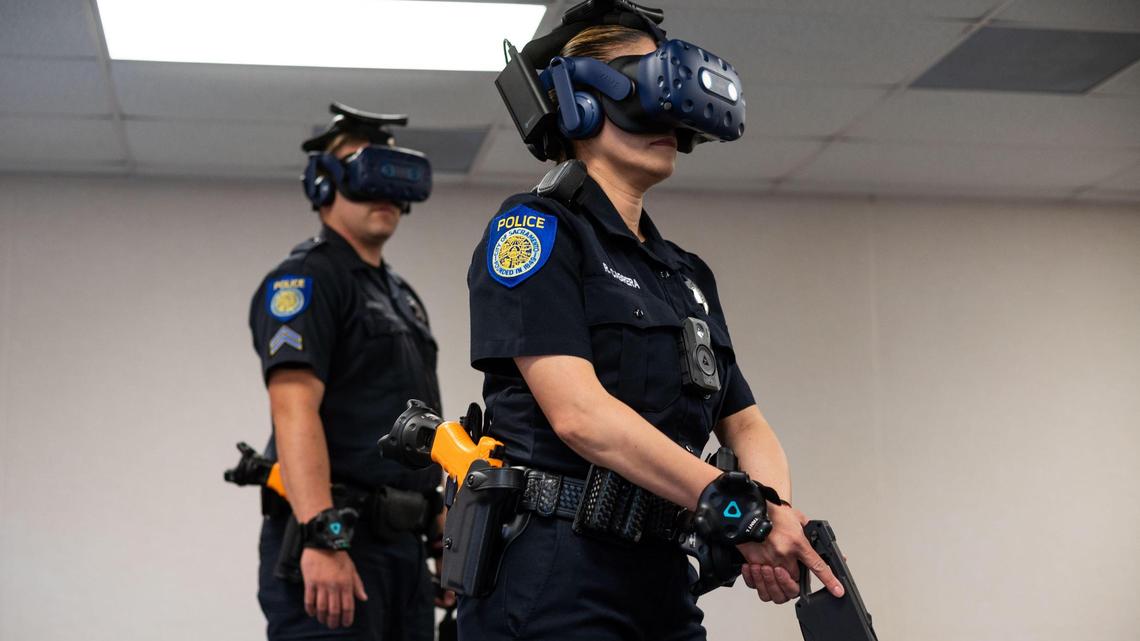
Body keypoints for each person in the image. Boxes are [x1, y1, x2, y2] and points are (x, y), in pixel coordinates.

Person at [461, 2, 846, 639]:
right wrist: (734, 505)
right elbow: (580, 415)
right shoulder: (536, 230)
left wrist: (770, 512)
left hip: (664, 577)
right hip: (555, 577)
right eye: (640, 89)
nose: (665, 117)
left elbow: (747, 423)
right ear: (578, 99)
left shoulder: (685, 273)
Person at [248, 103, 449, 641]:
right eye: (361, 170)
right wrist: (323, 536)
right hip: (337, 539)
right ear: (323, 185)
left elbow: (415, 425)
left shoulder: (402, 297)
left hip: (403, 552)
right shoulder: (306, 280)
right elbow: (293, 409)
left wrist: (442, 532)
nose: (382, 190)